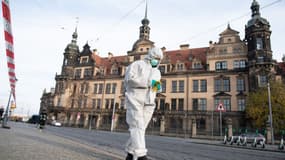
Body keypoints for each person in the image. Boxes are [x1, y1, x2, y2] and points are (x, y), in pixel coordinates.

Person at [124, 46, 163, 160]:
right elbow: (129, 80)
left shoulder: (157, 72)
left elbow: (156, 86)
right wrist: (147, 82)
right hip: (135, 98)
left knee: (141, 128)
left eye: (159, 59)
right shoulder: (137, 65)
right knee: (137, 125)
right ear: (150, 55)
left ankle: (130, 154)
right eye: (156, 57)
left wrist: (158, 87)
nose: (157, 60)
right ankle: (141, 156)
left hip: (150, 101)